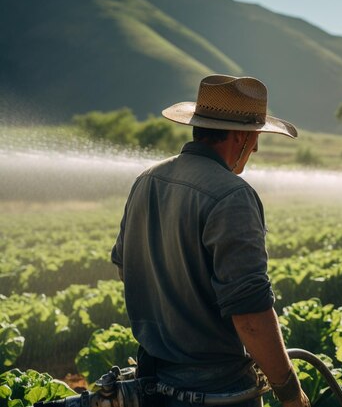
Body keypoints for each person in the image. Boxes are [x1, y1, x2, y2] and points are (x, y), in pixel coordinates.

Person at [111, 74, 310, 407]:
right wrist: (291, 393)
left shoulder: (147, 179)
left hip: (151, 381)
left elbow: (125, 267)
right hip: (219, 391)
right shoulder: (232, 195)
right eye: (255, 137)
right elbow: (250, 316)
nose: (256, 148)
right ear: (239, 137)